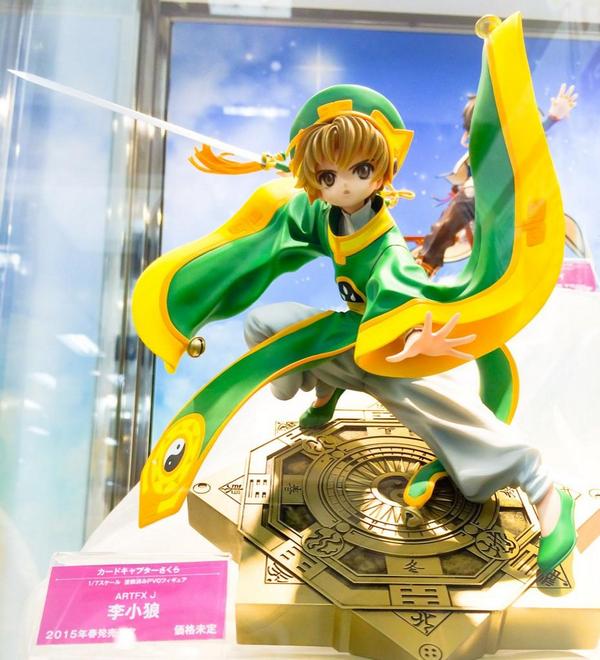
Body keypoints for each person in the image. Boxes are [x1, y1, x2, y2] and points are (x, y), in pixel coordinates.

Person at [132, 14, 576, 573]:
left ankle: (541, 488)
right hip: (352, 331)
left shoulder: (387, 251)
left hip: (385, 343)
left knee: (432, 405)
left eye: (359, 169)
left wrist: (416, 344)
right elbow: (286, 213)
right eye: (328, 176)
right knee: (269, 328)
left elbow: (400, 294)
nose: (343, 184)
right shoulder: (324, 212)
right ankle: (325, 392)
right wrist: (272, 167)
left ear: (381, 171)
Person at [413, 83, 578, 276]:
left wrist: (552, 119)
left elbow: (529, 140)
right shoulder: (475, 160)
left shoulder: (513, 147)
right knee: (467, 197)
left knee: (473, 195)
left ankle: (531, 266)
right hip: (485, 211)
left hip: (516, 205)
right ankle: (426, 263)